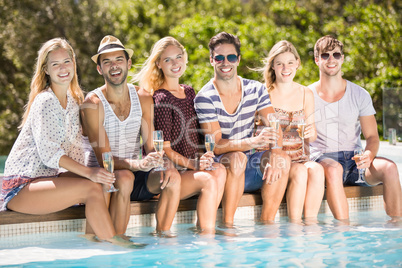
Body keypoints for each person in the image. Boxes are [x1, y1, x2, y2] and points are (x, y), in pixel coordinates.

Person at [0, 38, 139, 248]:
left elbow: (75, 151)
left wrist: (99, 172)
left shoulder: (74, 102)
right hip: (21, 188)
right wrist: (89, 173)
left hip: (48, 180)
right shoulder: (44, 101)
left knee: (107, 179)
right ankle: (115, 243)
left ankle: (93, 240)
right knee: (91, 188)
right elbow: (50, 154)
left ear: (74, 63)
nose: (63, 68)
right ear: (46, 69)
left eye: (66, 61)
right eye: (55, 64)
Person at [81, 35, 181, 237]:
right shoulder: (93, 103)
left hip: (137, 173)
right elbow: (105, 159)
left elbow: (152, 145)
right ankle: (118, 242)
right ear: (99, 69)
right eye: (107, 62)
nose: (114, 66)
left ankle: (163, 239)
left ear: (128, 63)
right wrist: (138, 164)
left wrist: (163, 162)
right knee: (125, 178)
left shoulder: (143, 97)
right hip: (102, 178)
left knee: (172, 177)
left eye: (119, 60)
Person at [194, 32, 290, 227]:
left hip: (249, 167)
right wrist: (251, 143)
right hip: (223, 167)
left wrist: (275, 153)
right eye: (219, 57)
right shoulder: (205, 97)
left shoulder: (256, 89)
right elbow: (217, 146)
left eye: (230, 57)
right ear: (212, 60)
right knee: (238, 158)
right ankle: (228, 226)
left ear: (238, 59)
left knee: (282, 159)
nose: (225, 62)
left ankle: (267, 226)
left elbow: (274, 126)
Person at [133, 37, 227, 233]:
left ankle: (204, 228)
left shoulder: (190, 91)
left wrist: (204, 156)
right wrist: (194, 164)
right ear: (158, 64)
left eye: (178, 57)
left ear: (184, 58)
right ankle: (206, 237)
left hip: (190, 166)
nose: (175, 63)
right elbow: (165, 149)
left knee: (220, 170)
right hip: (172, 172)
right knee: (208, 180)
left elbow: (195, 135)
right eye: (168, 60)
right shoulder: (160, 98)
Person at [310, 35, 402, 221]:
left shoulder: (360, 94)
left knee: (390, 167)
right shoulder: (306, 94)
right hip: (323, 161)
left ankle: (397, 227)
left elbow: (372, 137)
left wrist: (368, 155)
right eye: (325, 55)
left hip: (354, 162)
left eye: (336, 55)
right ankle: (344, 232)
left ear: (342, 58)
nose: (331, 60)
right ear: (316, 59)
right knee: (334, 169)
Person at [258, 40, 325, 222]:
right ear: (273, 65)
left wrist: (310, 132)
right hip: (273, 157)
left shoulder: (306, 93)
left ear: (297, 63)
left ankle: (310, 225)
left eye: (289, 63)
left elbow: (311, 137)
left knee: (317, 170)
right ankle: (295, 225)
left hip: (299, 157)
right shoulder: (264, 92)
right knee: (301, 172)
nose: (285, 68)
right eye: (279, 63)